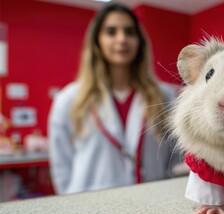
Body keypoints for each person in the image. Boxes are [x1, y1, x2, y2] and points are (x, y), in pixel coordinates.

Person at [48, 3, 180, 195]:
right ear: (97, 41)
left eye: (129, 32)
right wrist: (71, 201)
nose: (122, 39)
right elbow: (62, 164)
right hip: (89, 206)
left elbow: (175, 157)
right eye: (111, 32)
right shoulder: (68, 100)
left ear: (139, 41)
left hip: (152, 202)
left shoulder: (164, 96)